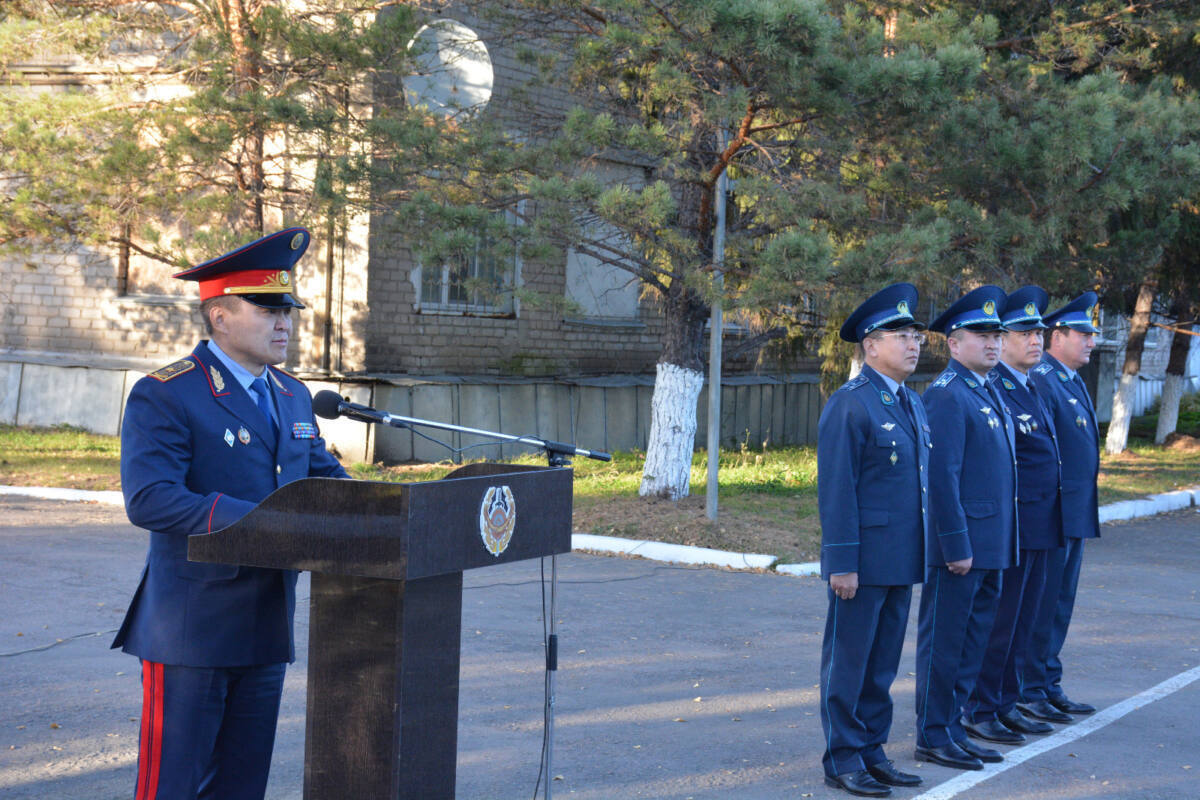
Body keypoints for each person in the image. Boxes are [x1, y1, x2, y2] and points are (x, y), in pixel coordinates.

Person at [112, 227, 349, 800]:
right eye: (268, 310)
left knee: (241, 788)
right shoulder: (168, 393)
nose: (285, 323)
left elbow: (324, 479)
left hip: (265, 625)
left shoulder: (291, 394)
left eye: (288, 310)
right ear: (219, 316)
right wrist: (266, 525)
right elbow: (150, 498)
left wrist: (382, 510)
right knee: (171, 786)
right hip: (193, 629)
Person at [817, 283, 931, 797]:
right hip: (860, 564)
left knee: (882, 663)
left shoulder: (912, 403)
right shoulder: (851, 405)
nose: (913, 344)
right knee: (849, 662)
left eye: (916, 336)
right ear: (870, 346)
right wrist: (842, 563)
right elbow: (837, 492)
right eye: (901, 335)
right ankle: (842, 757)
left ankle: (871, 750)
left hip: (901, 557)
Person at [915, 285, 1018, 771]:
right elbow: (942, 478)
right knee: (946, 644)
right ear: (953, 344)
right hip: (962, 549)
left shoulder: (986, 389)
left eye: (997, 335)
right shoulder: (948, 395)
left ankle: (954, 727)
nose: (993, 343)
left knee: (972, 643)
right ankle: (934, 733)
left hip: (991, 545)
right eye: (981, 335)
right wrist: (955, 544)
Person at [962, 286, 1064, 744]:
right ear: (1003, 340)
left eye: (1039, 331)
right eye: (1024, 332)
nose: (1036, 340)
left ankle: (1005, 701)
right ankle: (983, 706)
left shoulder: (1032, 384)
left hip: (1040, 523)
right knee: (1000, 624)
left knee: (1023, 623)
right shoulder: (997, 387)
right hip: (1014, 527)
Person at [1018, 292, 1101, 722]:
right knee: (1042, 603)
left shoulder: (1068, 377)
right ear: (1058, 336)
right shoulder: (1045, 378)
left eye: (1091, 334)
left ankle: (1046, 681)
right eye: (1083, 334)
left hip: (1073, 511)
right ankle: (1030, 687)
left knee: (1059, 602)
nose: (1091, 341)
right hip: (1052, 513)